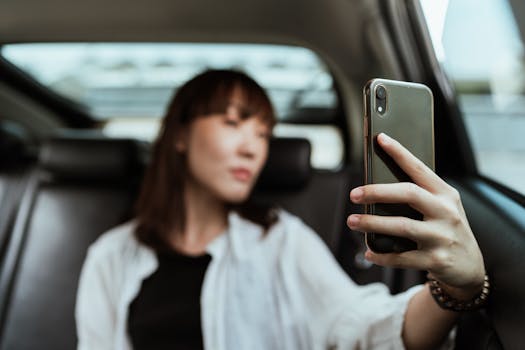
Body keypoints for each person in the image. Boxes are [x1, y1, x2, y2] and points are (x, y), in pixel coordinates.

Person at [75, 69, 487, 350]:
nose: (252, 147)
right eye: (233, 123)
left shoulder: (281, 240)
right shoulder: (111, 256)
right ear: (180, 135)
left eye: (263, 133)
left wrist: (456, 290)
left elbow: (362, 327)